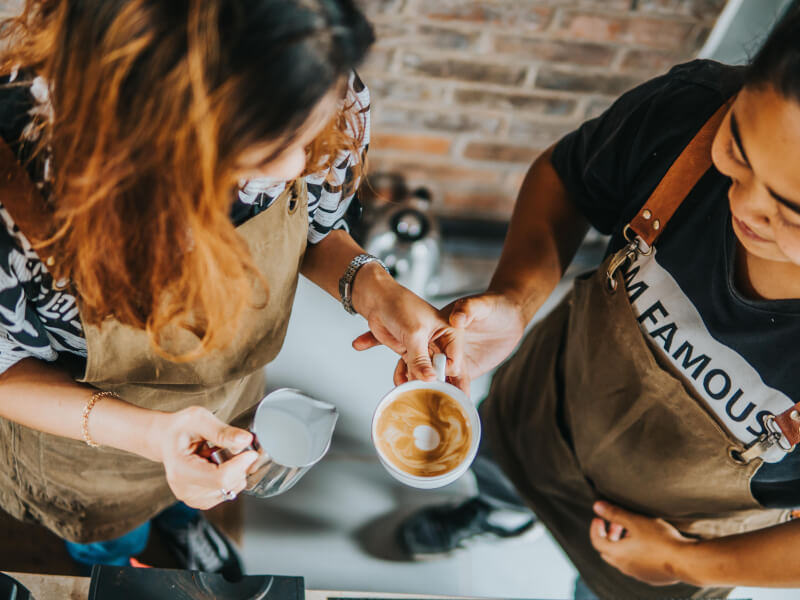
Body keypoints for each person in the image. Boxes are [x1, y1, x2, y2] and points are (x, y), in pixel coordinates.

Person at [0, 0, 457, 575]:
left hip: (230, 393)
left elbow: (316, 225)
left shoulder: (310, 72)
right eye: (265, 144)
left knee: (196, 489)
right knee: (109, 539)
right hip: (89, 447)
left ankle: (180, 520)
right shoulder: (18, 196)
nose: (295, 165)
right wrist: (157, 437)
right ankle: (117, 554)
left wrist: (369, 284)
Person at [390, 7, 800, 599]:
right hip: (544, 411)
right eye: (738, 146)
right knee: (499, 469)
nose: (744, 204)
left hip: (667, 541)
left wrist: (685, 564)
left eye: (790, 210)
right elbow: (566, 178)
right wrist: (515, 296)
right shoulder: (690, 112)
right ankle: (503, 514)